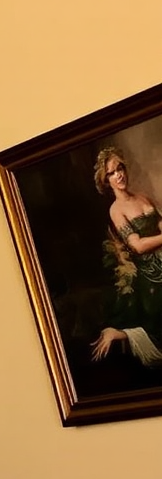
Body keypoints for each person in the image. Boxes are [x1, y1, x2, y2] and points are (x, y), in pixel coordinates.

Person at [90, 146, 162, 368]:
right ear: (106, 181)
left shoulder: (143, 197)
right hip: (151, 276)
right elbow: (138, 246)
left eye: (120, 168)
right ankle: (118, 334)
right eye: (111, 173)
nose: (118, 174)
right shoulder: (116, 210)